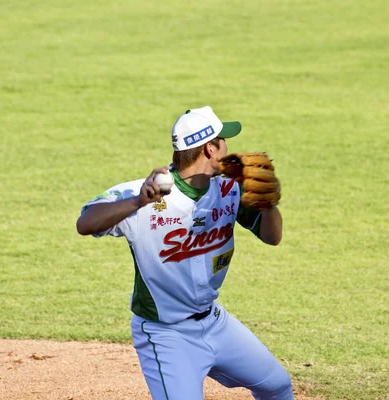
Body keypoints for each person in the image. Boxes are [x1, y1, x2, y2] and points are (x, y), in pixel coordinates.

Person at [76, 106, 294, 400]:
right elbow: (85, 222)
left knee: (277, 386)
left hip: (215, 322)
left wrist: (268, 205)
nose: (230, 147)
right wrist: (137, 202)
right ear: (210, 149)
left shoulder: (230, 187)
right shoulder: (148, 193)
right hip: (166, 335)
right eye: (223, 140)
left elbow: (272, 237)